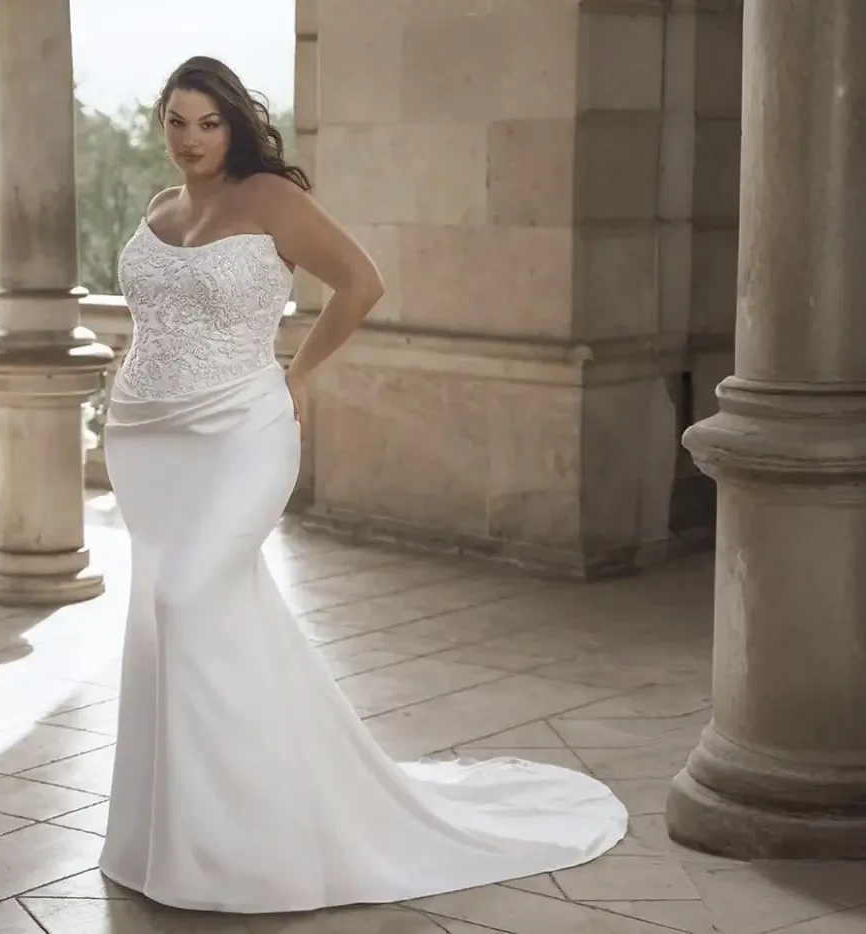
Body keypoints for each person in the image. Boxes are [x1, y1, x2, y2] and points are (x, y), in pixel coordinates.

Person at [98, 55, 628, 915]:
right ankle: (167, 829)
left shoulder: (272, 202)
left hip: (241, 432)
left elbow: (361, 283)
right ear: (161, 124)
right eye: (176, 122)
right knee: (171, 617)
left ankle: (240, 841)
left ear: (235, 124)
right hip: (147, 443)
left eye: (207, 122)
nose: (190, 140)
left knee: (189, 599)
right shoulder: (160, 211)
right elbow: (160, 320)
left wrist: (296, 378)